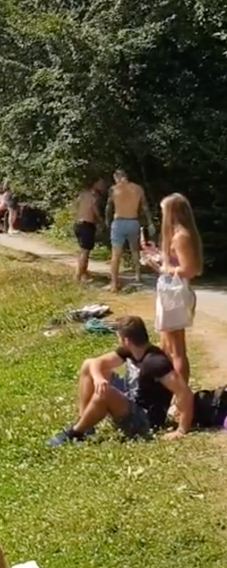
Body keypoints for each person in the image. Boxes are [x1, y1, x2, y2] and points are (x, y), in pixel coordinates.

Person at [48, 315, 193, 446]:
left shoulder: (155, 362)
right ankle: (85, 423)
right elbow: (96, 363)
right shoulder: (130, 351)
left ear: (126, 340)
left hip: (145, 420)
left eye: (118, 337)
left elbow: (184, 393)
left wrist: (181, 430)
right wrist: (98, 378)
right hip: (132, 398)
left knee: (105, 393)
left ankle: (75, 432)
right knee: (88, 365)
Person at [141, 193, 203, 384]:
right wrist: (157, 255)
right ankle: (170, 391)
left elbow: (189, 269)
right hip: (170, 292)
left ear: (172, 212)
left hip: (175, 294)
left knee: (176, 349)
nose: (161, 216)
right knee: (166, 345)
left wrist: (162, 267)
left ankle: (182, 396)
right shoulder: (177, 236)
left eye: (163, 211)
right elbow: (175, 263)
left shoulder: (180, 236)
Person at [105, 169, 153, 292]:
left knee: (116, 254)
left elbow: (108, 207)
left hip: (119, 221)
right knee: (135, 250)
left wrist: (107, 221)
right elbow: (145, 207)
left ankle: (114, 283)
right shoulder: (138, 189)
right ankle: (137, 275)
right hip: (133, 221)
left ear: (117, 177)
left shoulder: (114, 189)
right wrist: (150, 222)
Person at [73, 177, 107, 282]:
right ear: (95, 184)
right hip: (87, 224)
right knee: (85, 252)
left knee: (83, 250)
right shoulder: (94, 196)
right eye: (101, 184)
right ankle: (78, 276)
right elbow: (95, 210)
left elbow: (75, 205)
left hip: (78, 224)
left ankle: (84, 273)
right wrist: (101, 222)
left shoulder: (83, 194)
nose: (103, 187)